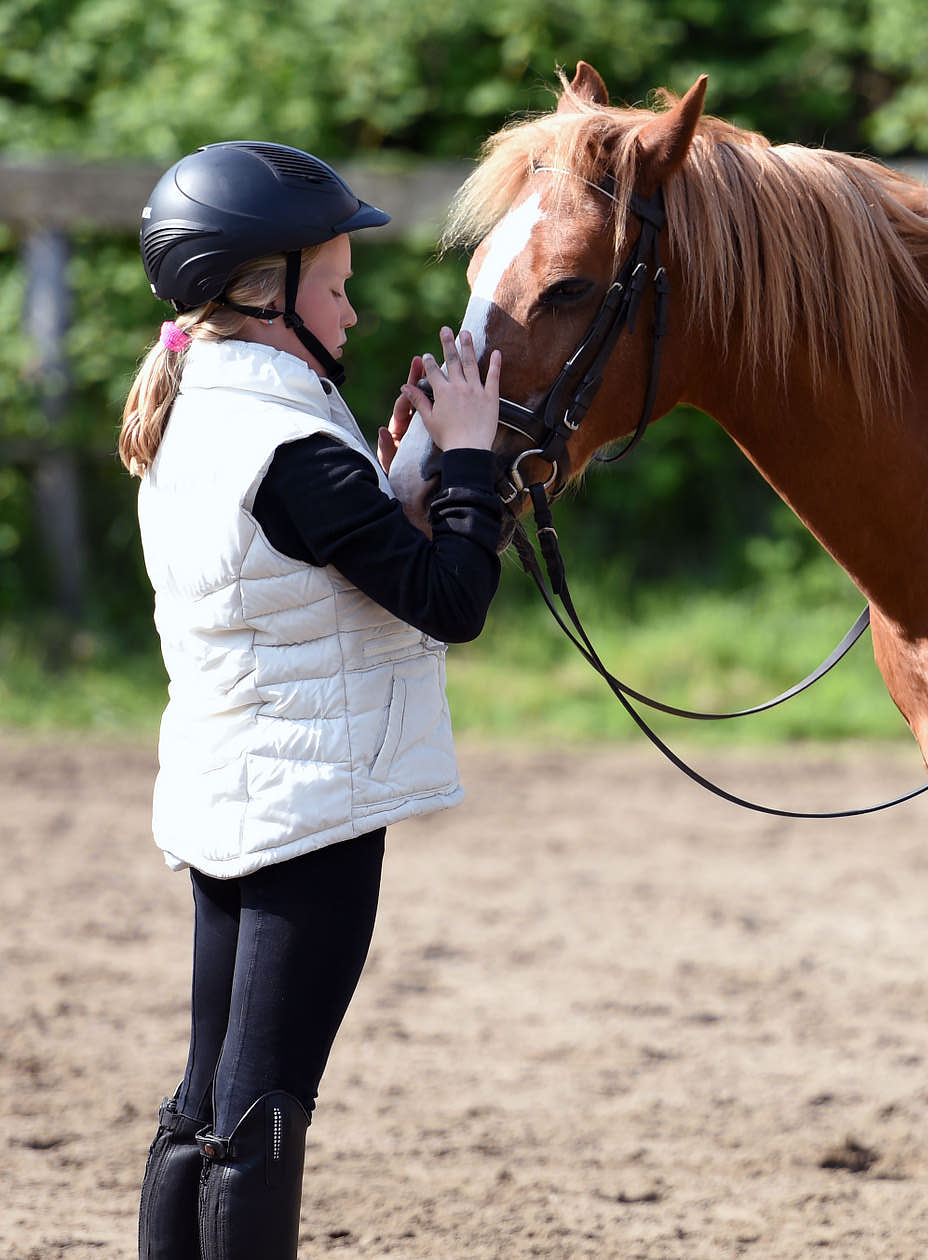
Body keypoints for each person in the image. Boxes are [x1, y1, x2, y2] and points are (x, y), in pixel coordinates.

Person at [121, 140, 508, 1260]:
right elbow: (451, 598)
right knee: (264, 1105)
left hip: (228, 788)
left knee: (206, 1094)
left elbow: (293, 570)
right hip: (312, 807)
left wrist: (387, 489)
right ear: (269, 290)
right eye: (335, 286)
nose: (352, 307)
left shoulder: (199, 405)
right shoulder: (293, 441)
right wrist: (473, 458)